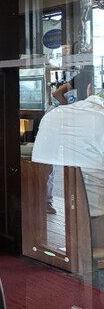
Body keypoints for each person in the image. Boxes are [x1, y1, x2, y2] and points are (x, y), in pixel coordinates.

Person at [32, 92, 104, 287]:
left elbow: (40, 167)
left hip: (58, 225)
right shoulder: (100, 118)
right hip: (97, 219)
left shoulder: (54, 116)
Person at [45, 66, 93, 214]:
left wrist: (71, 108)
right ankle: (47, 201)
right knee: (53, 163)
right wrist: (72, 109)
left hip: (62, 122)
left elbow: (57, 94)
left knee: (52, 162)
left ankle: (48, 201)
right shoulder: (85, 81)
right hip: (61, 123)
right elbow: (56, 93)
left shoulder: (79, 81)